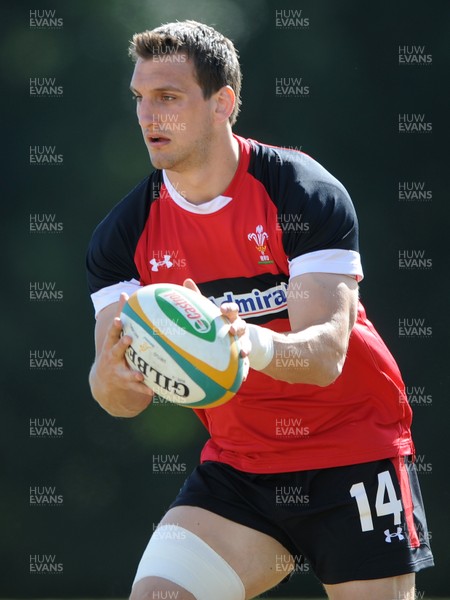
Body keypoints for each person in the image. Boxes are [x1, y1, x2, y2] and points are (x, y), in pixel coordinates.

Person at [86, 20, 434, 600]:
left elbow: (326, 352)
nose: (148, 116)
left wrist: (245, 342)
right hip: (241, 465)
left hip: (354, 449)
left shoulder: (300, 192)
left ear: (223, 102)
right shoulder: (123, 236)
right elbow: (117, 397)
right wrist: (113, 375)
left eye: (168, 98)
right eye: (140, 99)